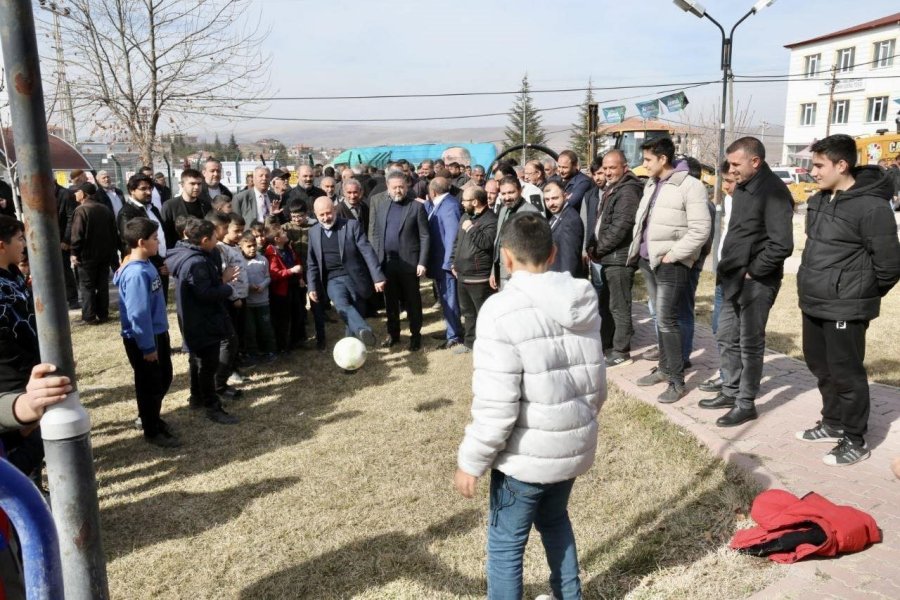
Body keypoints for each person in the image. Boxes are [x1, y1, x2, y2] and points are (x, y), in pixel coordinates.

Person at [454, 212, 605, 600]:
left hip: (525, 459)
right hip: (570, 444)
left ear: (505, 257)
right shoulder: (582, 300)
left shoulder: (499, 311)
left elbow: (497, 405)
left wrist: (471, 460)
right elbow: (596, 382)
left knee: (506, 543)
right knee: (555, 520)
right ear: (552, 254)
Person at [794, 134, 900, 466]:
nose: (813, 172)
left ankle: (855, 439)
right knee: (819, 365)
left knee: (846, 372)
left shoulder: (872, 207)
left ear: (842, 165)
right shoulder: (818, 200)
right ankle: (833, 422)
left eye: (819, 165)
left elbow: (889, 265)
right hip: (813, 300)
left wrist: (858, 294)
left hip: (846, 306)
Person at [707, 137, 793, 427]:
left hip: (757, 282)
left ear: (755, 161)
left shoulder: (774, 192)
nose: (731, 170)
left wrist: (754, 271)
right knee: (725, 335)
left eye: (736, 164)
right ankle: (730, 391)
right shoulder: (743, 187)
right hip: (732, 276)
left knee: (750, 343)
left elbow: (782, 244)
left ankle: (746, 403)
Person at [628, 137, 710, 404]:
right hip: (648, 261)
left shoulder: (690, 186)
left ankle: (676, 381)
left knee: (667, 320)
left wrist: (673, 255)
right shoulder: (652, 184)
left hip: (671, 264)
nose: (644, 164)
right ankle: (664, 369)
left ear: (663, 159)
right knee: (660, 320)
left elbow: (700, 230)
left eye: (648, 159)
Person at [165, 217, 240, 425]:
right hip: (203, 321)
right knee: (207, 366)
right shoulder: (196, 263)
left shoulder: (187, 254)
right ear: (205, 240)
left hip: (194, 319)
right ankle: (212, 406)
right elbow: (205, 293)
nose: (218, 240)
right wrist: (226, 286)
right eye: (215, 237)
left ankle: (197, 397)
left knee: (198, 362)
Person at [115, 218, 179, 448]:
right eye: (154, 238)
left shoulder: (146, 264)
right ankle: (151, 429)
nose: (158, 242)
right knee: (150, 384)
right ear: (141, 242)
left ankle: (152, 417)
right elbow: (138, 314)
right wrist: (147, 346)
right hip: (144, 339)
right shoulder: (135, 274)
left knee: (163, 378)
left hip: (158, 332)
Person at [307, 197, 385, 350]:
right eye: (321, 215)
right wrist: (312, 287)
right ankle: (363, 329)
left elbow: (368, 252)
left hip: (355, 277)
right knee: (341, 305)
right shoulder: (313, 232)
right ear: (315, 214)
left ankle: (351, 354)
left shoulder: (351, 226)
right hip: (332, 279)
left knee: (354, 315)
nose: (326, 218)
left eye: (328, 213)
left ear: (335, 210)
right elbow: (312, 263)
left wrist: (377, 277)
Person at [589, 150, 643, 367]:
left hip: (619, 258)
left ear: (624, 167)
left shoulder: (628, 191)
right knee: (610, 305)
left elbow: (621, 227)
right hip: (609, 257)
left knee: (620, 306)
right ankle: (610, 345)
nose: (608, 172)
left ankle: (622, 352)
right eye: (605, 168)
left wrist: (598, 249)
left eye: (613, 168)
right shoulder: (614, 188)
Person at [369, 171, 430, 351]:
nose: (398, 190)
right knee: (390, 301)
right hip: (387, 262)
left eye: (401, 187)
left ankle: (415, 335)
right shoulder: (381, 206)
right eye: (394, 187)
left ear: (407, 186)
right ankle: (393, 334)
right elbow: (375, 233)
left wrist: (422, 262)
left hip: (410, 263)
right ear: (388, 187)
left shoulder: (416, 207)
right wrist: (376, 262)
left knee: (413, 301)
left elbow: (425, 236)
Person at [698, 161, 737, 394]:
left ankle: (733, 382)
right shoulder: (730, 199)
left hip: (740, 277)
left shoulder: (754, 200)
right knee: (718, 328)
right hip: (724, 273)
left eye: (730, 181)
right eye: (724, 181)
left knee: (731, 332)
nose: (725, 187)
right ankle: (726, 376)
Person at [450, 186, 497, 354]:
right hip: (462, 274)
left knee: (484, 313)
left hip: (479, 276)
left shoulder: (491, 219)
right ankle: (470, 343)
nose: (462, 203)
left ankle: (489, 345)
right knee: (468, 312)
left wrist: (471, 228)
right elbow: (457, 241)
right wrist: (453, 262)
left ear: (475, 202)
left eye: (464, 200)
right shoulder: (465, 216)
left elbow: (486, 243)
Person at [69, 182, 120, 324]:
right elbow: (113, 233)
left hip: (87, 256)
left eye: (77, 191)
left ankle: (89, 316)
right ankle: (103, 314)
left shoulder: (81, 210)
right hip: (104, 254)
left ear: (84, 194)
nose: (75, 194)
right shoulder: (105, 209)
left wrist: (74, 252)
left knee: (87, 286)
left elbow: (77, 234)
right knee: (102, 285)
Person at [209, 212, 249, 393]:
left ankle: (236, 364)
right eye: (236, 231)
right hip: (232, 300)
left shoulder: (235, 246)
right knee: (231, 338)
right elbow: (226, 277)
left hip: (242, 297)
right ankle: (229, 370)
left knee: (239, 333)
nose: (240, 235)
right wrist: (235, 297)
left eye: (242, 231)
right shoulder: (221, 249)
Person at [425, 178, 463, 349]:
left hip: (446, 264)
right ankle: (451, 329)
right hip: (439, 262)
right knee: (446, 298)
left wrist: (449, 263)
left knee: (450, 299)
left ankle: (454, 335)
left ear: (432, 191)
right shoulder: (440, 204)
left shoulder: (449, 206)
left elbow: (452, 236)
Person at [118, 174, 169, 302]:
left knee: (160, 304)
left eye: (150, 188)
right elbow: (133, 244)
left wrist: (166, 261)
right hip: (146, 267)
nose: (148, 192)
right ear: (132, 190)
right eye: (143, 189)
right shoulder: (127, 213)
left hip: (162, 266)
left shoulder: (153, 209)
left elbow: (162, 236)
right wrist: (159, 264)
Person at [491, 176, 541, 290]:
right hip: (502, 273)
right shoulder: (503, 210)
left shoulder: (531, 213)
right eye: (503, 193)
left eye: (511, 192)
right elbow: (498, 242)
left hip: (522, 276)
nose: (507, 197)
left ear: (520, 191)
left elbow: (536, 249)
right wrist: (494, 271)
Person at [263, 223, 305, 353]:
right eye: (283, 233)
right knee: (283, 319)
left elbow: (296, 261)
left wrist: (300, 277)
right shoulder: (272, 253)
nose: (286, 234)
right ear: (277, 239)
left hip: (293, 286)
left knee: (297, 314)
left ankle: (296, 341)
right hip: (281, 291)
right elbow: (275, 274)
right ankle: (282, 346)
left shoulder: (288, 247)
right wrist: (291, 271)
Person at [240, 231, 277, 362]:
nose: (252, 248)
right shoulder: (240, 262)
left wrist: (262, 285)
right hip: (248, 303)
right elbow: (239, 280)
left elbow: (268, 277)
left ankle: (270, 351)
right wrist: (249, 286)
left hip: (263, 301)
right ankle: (252, 353)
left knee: (266, 327)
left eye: (254, 245)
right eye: (249, 246)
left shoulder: (263, 260)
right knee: (250, 330)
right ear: (241, 247)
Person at [161, 169, 212, 250]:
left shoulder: (206, 205)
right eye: (192, 184)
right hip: (179, 252)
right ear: (182, 185)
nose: (196, 187)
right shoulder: (170, 206)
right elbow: (165, 233)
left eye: (199, 184)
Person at [543, 181, 584, 277]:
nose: (551, 203)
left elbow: (569, 260)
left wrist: (565, 282)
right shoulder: (555, 216)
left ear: (565, 196)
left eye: (555, 198)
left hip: (562, 280)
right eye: (547, 199)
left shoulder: (570, 220)